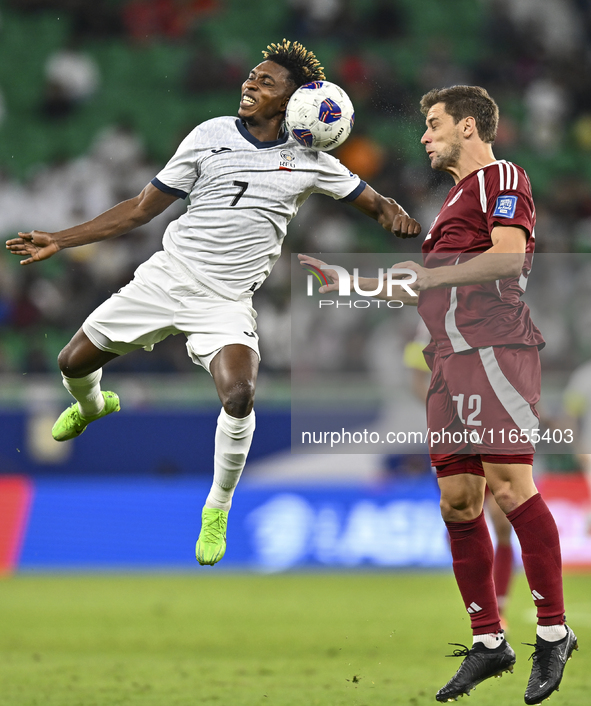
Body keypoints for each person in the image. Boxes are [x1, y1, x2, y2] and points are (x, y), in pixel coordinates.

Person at [6, 39, 420, 568]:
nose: (250, 84)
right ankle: (92, 406)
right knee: (71, 363)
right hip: (166, 279)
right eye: (251, 76)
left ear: (294, 101)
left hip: (224, 301)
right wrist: (62, 239)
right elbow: (138, 209)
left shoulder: (312, 162)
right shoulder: (210, 134)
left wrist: (395, 216)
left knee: (240, 393)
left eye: (266, 81)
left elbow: (375, 202)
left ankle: (217, 507)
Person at [300, 85, 577, 705]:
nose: (424, 136)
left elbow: (507, 260)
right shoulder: (452, 205)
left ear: (470, 128)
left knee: (510, 490)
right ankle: (488, 642)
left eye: (434, 124)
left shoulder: (501, 177)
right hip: (447, 362)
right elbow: (424, 287)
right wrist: (349, 281)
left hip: (494, 349)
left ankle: (554, 632)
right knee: (458, 501)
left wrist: (435, 275)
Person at [403, 320, 516, 632]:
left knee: (503, 517)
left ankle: (499, 608)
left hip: (495, 430)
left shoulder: (495, 309)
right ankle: (480, 601)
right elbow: (416, 381)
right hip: (451, 433)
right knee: (460, 514)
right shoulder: (428, 324)